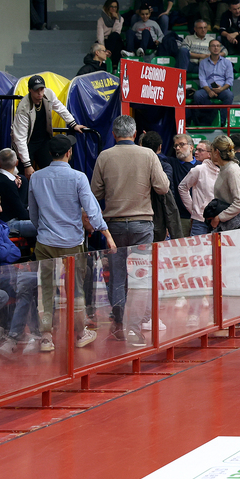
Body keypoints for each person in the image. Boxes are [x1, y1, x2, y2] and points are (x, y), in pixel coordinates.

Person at [30, 134, 115, 352]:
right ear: (69, 153)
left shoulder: (36, 177)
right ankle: (79, 333)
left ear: (50, 153)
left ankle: (46, 336)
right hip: (72, 242)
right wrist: (106, 234)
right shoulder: (78, 177)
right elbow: (92, 210)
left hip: (45, 242)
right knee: (75, 289)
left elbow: (34, 214)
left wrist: (44, 229)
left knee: (45, 289)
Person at [91, 116, 170, 346]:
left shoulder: (104, 156)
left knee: (117, 276)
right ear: (135, 134)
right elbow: (163, 187)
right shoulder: (148, 155)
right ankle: (134, 329)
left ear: (114, 134)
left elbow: (95, 193)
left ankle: (118, 325)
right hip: (142, 224)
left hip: (114, 225)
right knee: (141, 277)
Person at [12, 75, 85, 177]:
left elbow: (60, 107)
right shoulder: (24, 108)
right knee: (25, 176)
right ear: (30, 90)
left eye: (42, 89)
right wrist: (27, 165)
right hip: (28, 143)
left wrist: (73, 124)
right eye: (36, 90)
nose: (40, 93)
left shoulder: (48, 94)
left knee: (50, 171)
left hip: (43, 140)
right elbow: (20, 139)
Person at [140, 131, 183, 242]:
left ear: (141, 145)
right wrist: (169, 224)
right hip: (157, 218)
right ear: (160, 147)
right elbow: (168, 194)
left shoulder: (135, 166)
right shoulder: (165, 167)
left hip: (138, 216)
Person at [178, 142, 220, 236]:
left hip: (219, 220)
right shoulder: (199, 169)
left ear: (210, 153)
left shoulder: (224, 170)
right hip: (200, 221)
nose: (196, 152)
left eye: (200, 150)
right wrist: (193, 209)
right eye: (196, 149)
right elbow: (182, 187)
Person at [208, 135, 240, 231]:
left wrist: (219, 217)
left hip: (236, 225)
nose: (209, 154)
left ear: (217, 152)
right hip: (228, 224)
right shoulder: (224, 168)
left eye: (211, 150)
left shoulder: (232, 170)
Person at [192, 39, 234, 127]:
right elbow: (202, 79)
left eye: (218, 46)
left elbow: (230, 80)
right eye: (213, 46)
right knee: (197, 95)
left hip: (221, 88)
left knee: (229, 95)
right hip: (207, 88)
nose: (216, 48)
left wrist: (221, 89)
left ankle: (222, 121)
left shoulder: (227, 62)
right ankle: (207, 116)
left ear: (220, 48)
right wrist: (209, 91)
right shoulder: (203, 63)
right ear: (209, 48)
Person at [0, 149, 34, 238]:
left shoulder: (11, 180)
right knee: (44, 226)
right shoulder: (8, 184)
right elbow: (20, 212)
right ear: (16, 163)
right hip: (8, 223)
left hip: (6, 220)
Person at [170, 133, 200, 236]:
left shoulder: (201, 167)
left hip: (199, 217)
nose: (178, 148)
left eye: (182, 144)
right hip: (180, 217)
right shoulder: (171, 163)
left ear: (191, 147)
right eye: (176, 146)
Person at [219, 0, 240, 66]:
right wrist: (228, 36)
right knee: (219, 38)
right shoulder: (225, 15)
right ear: (230, 9)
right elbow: (221, 30)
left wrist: (236, 34)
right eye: (234, 9)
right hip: (229, 37)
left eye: (239, 8)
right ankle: (221, 64)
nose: (237, 11)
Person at [97, 0, 125, 68]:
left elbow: (116, 32)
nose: (113, 9)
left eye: (115, 7)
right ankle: (107, 60)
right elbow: (100, 36)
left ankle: (114, 64)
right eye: (111, 7)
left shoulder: (120, 19)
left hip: (115, 39)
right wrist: (103, 49)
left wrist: (117, 20)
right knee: (97, 44)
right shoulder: (101, 20)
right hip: (106, 41)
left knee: (115, 38)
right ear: (107, 7)